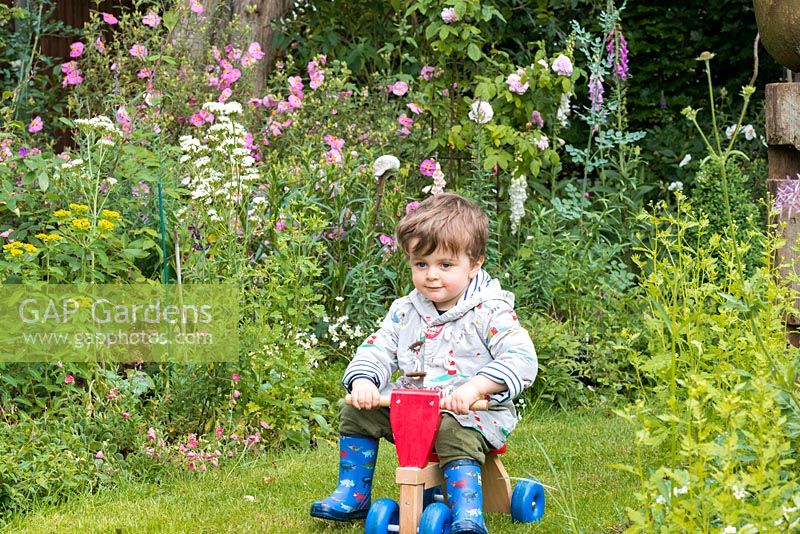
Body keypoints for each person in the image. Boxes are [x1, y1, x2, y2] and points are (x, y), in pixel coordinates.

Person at [310, 193, 538, 534]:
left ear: (475, 263)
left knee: (451, 430)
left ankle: (467, 514)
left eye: (445, 265)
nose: (431, 275)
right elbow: (379, 348)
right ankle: (353, 494)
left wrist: (475, 387)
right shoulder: (406, 311)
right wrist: (364, 382)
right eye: (421, 264)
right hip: (413, 413)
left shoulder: (490, 310)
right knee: (356, 411)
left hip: (472, 412)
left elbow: (521, 358)